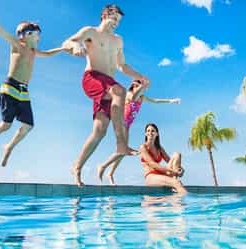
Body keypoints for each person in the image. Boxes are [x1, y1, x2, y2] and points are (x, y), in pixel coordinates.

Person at [0, 0, 66, 167]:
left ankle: (9, 147)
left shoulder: (34, 52)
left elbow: (49, 54)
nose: (38, 37)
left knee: (28, 125)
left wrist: (63, 48)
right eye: (35, 34)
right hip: (10, 87)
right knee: (6, 125)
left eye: (38, 35)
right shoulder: (16, 45)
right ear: (24, 35)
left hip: (23, 91)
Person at [62, 4, 150, 186]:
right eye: (114, 18)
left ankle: (76, 167)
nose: (116, 23)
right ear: (104, 15)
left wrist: (140, 77)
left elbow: (122, 66)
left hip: (107, 88)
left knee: (99, 131)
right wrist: (76, 46)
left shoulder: (118, 40)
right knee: (120, 91)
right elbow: (69, 42)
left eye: (119, 21)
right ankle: (121, 143)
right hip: (92, 78)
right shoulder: (91, 32)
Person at [97, 80, 181, 185]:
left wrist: (171, 101)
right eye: (135, 86)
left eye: (140, 86)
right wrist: (141, 86)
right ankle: (103, 167)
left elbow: (156, 101)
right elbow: (133, 98)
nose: (138, 88)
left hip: (127, 126)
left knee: (122, 152)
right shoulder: (129, 94)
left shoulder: (142, 98)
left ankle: (110, 173)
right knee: (122, 150)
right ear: (133, 87)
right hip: (121, 123)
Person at [139, 123, 187, 194]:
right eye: (148, 131)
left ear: (157, 134)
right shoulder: (143, 147)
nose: (150, 133)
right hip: (151, 176)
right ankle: (175, 184)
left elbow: (170, 160)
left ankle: (174, 183)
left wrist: (181, 169)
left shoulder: (159, 148)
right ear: (145, 134)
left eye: (153, 131)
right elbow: (153, 164)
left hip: (161, 174)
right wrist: (173, 171)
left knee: (177, 154)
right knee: (177, 183)